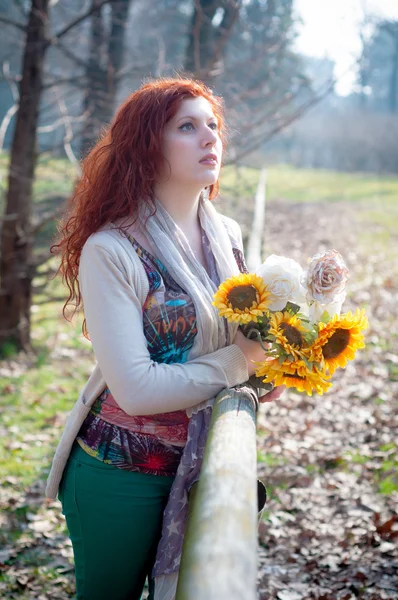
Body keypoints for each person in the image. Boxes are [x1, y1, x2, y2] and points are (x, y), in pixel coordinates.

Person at [46, 76, 284, 600]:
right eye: (187, 127)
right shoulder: (112, 250)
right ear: (147, 145)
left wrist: (279, 362)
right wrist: (241, 361)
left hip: (204, 459)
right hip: (120, 474)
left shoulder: (228, 236)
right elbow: (136, 389)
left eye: (213, 126)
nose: (210, 138)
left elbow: (235, 343)